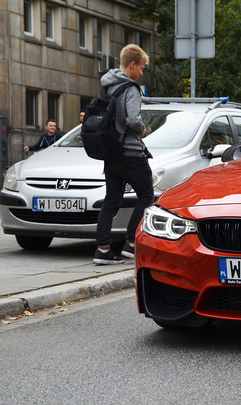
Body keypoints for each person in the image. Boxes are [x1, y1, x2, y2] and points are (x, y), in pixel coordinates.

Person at [93, 44, 153, 265]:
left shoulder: (107, 87)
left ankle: (102, 250)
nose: (142, 73)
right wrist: (143, 131)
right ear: (133, 64)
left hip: (111, 153)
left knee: (111, 200)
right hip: (131, 153)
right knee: (147, 196)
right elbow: (133, 120)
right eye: (142, 68)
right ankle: (131, 243)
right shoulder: (131, 89)